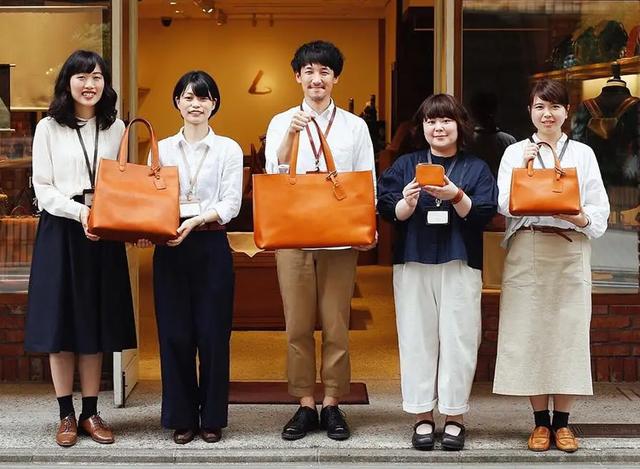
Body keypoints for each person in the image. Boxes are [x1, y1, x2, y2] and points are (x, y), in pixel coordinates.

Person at [264, 40, 376, 441]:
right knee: (296, 324)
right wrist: (289, 138)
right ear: (297, 76)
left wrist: (368, 227)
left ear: (335, 78)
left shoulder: (354, 126)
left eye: (324, 72)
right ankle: (304, 402)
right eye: (309, 71)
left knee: (336, 323)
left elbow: (366, 179)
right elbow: (273, 175)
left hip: (339, 236)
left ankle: (332, 402)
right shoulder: (281, 121)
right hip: (293, 235)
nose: (317, 79)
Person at [24, 50, 136, 447]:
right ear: (67, 82)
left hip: (102, 234)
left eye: (97, 77)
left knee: (94, 323)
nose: (90, 84)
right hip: (62, 230)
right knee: (61, 325)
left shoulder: (116, 127)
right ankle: (65, 415)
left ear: (105, 83)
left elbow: (122, 183)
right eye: (82, 77)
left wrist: (108, 218)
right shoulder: (48, 128)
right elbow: (43, 187)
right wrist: (80, 213)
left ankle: (90, 412)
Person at [493, 79, 610, 453]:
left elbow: (599, 211)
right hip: (528, 245)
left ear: (566, 112)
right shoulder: (514, 152)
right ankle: (539, 422)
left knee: (568, 335)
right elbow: (503, 204)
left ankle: (563, 424)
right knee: (530, 333)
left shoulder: (583, 153)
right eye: (540, 106)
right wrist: (524, 170)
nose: (547, 114)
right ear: (530, 110)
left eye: (555, 107)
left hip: (571, 247)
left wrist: (577, 217)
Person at [377, 93, 497, 451]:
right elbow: (386, 208)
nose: (438, 127)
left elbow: (484, 213)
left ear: (460, 125)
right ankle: (422, 416)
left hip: (460, 261)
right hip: (412, 260)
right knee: (416, 338)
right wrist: (407, 202)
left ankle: (455, 416)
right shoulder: (406, 164)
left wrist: (455, 195)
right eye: (431, 121)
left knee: (460, 339)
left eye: (446, 120)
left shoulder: (476, 167)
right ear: (422, 127)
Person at [137, 70, 242, 444]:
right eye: (188, 97)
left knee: (213, 334)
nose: (195, 104)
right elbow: (151, 199)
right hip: (170, 247)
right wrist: (150, 228)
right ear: (177, 103)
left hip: (211, 245)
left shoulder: (228, 149)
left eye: (203, 97)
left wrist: (197, 219)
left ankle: (212, 417)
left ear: (214, 104)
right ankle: (182, 417)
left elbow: (231, 203)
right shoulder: (161, 149)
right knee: (175, 333)